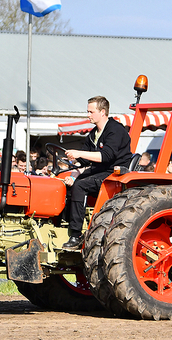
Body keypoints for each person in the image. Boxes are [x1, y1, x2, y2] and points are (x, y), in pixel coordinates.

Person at [62, 96, 132, 249]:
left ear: (102, 112)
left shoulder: (115, 130)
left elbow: (105, 156)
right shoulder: (94, 134)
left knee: (80, 186)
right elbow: (85, 162)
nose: (88, 115)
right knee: (65, 182)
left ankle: (75, 234)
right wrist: (73, 175)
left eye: (91, 112)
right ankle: (63, 224)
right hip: (100, 170)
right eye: (87, 111)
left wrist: (79, 153)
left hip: (115, 174)